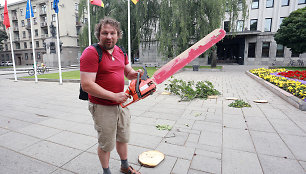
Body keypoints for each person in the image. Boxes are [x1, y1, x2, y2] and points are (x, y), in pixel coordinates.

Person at [80, 17, 142, 174]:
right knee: (106, 143)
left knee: (123, 137)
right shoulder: (91, 53)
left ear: (118, 34)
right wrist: (113, 96)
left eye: (112, 33)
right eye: (104, 33)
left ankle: (124, 166)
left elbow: (128, 73)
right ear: (98, 35)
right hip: (102, 107)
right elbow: (87, 84)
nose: (109, 37)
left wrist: (137, 74)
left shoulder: (121, 51)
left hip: (122, 104)